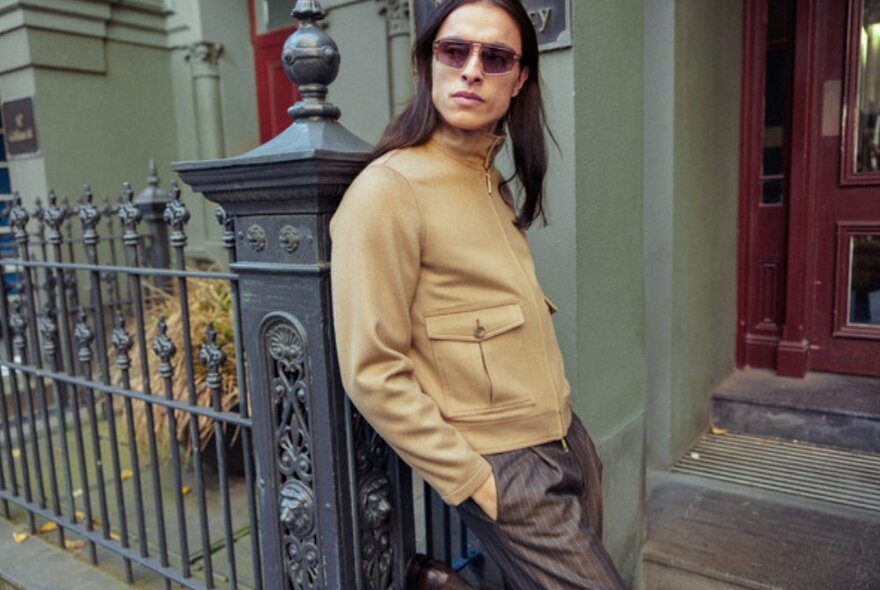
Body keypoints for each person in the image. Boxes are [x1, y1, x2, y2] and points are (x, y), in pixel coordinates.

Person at [330, 1, 628, 588]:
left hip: (567, 439)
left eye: (495, 57)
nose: (472, 70)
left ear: (518, 81)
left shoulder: (488, 181)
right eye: (454, 50)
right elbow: (373, 370)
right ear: (429, 62)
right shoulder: (388, 190)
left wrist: (573, 441)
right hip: (507, 468)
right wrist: (474, 479)